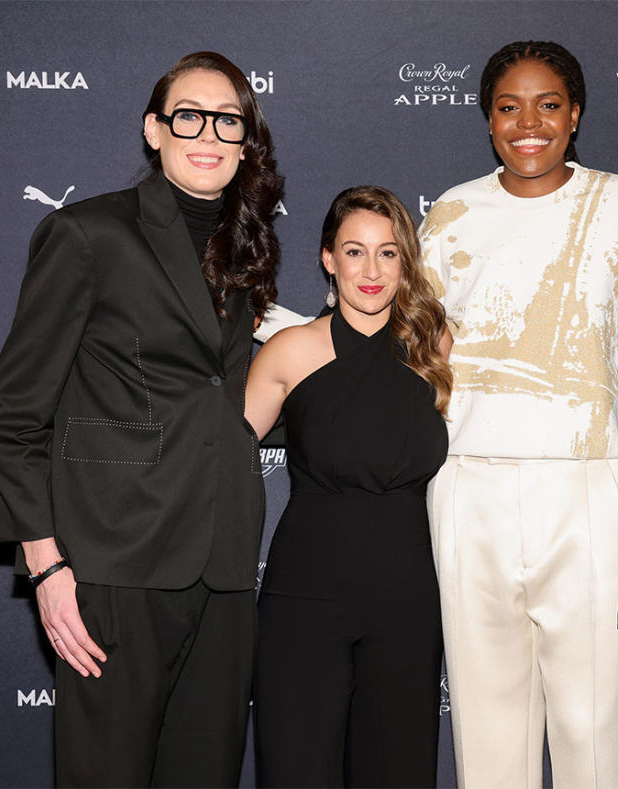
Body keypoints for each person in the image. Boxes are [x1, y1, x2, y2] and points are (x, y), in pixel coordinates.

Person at [0, 52, 283, 787]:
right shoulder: (88, 235)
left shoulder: (245, 248)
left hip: (225, 564)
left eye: (228, 119)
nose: (207, 133)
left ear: (246, 139)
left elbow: (229, 389)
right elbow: (16, 417)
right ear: (155, 129)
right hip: (116, 564)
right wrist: (48, 568)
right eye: (189, 115)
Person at [420, 41, 618, 788]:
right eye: (508, 107)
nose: (528, 123)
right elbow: (399, 338)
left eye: (549, 104)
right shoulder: (451, 214)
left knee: (597, 732)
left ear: (577, 114)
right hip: (468, 484)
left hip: (592, 485)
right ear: (488, 119)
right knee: (488, 733)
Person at [246, 186, 452, 788]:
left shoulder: (433, 348)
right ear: (328, 259)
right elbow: (223, 459)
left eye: (388, 254)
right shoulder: (290, 350)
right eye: (354, 252)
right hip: (305, 598)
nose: (371, 270)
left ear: (405, 262)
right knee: (297, 770)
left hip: (407, 600)